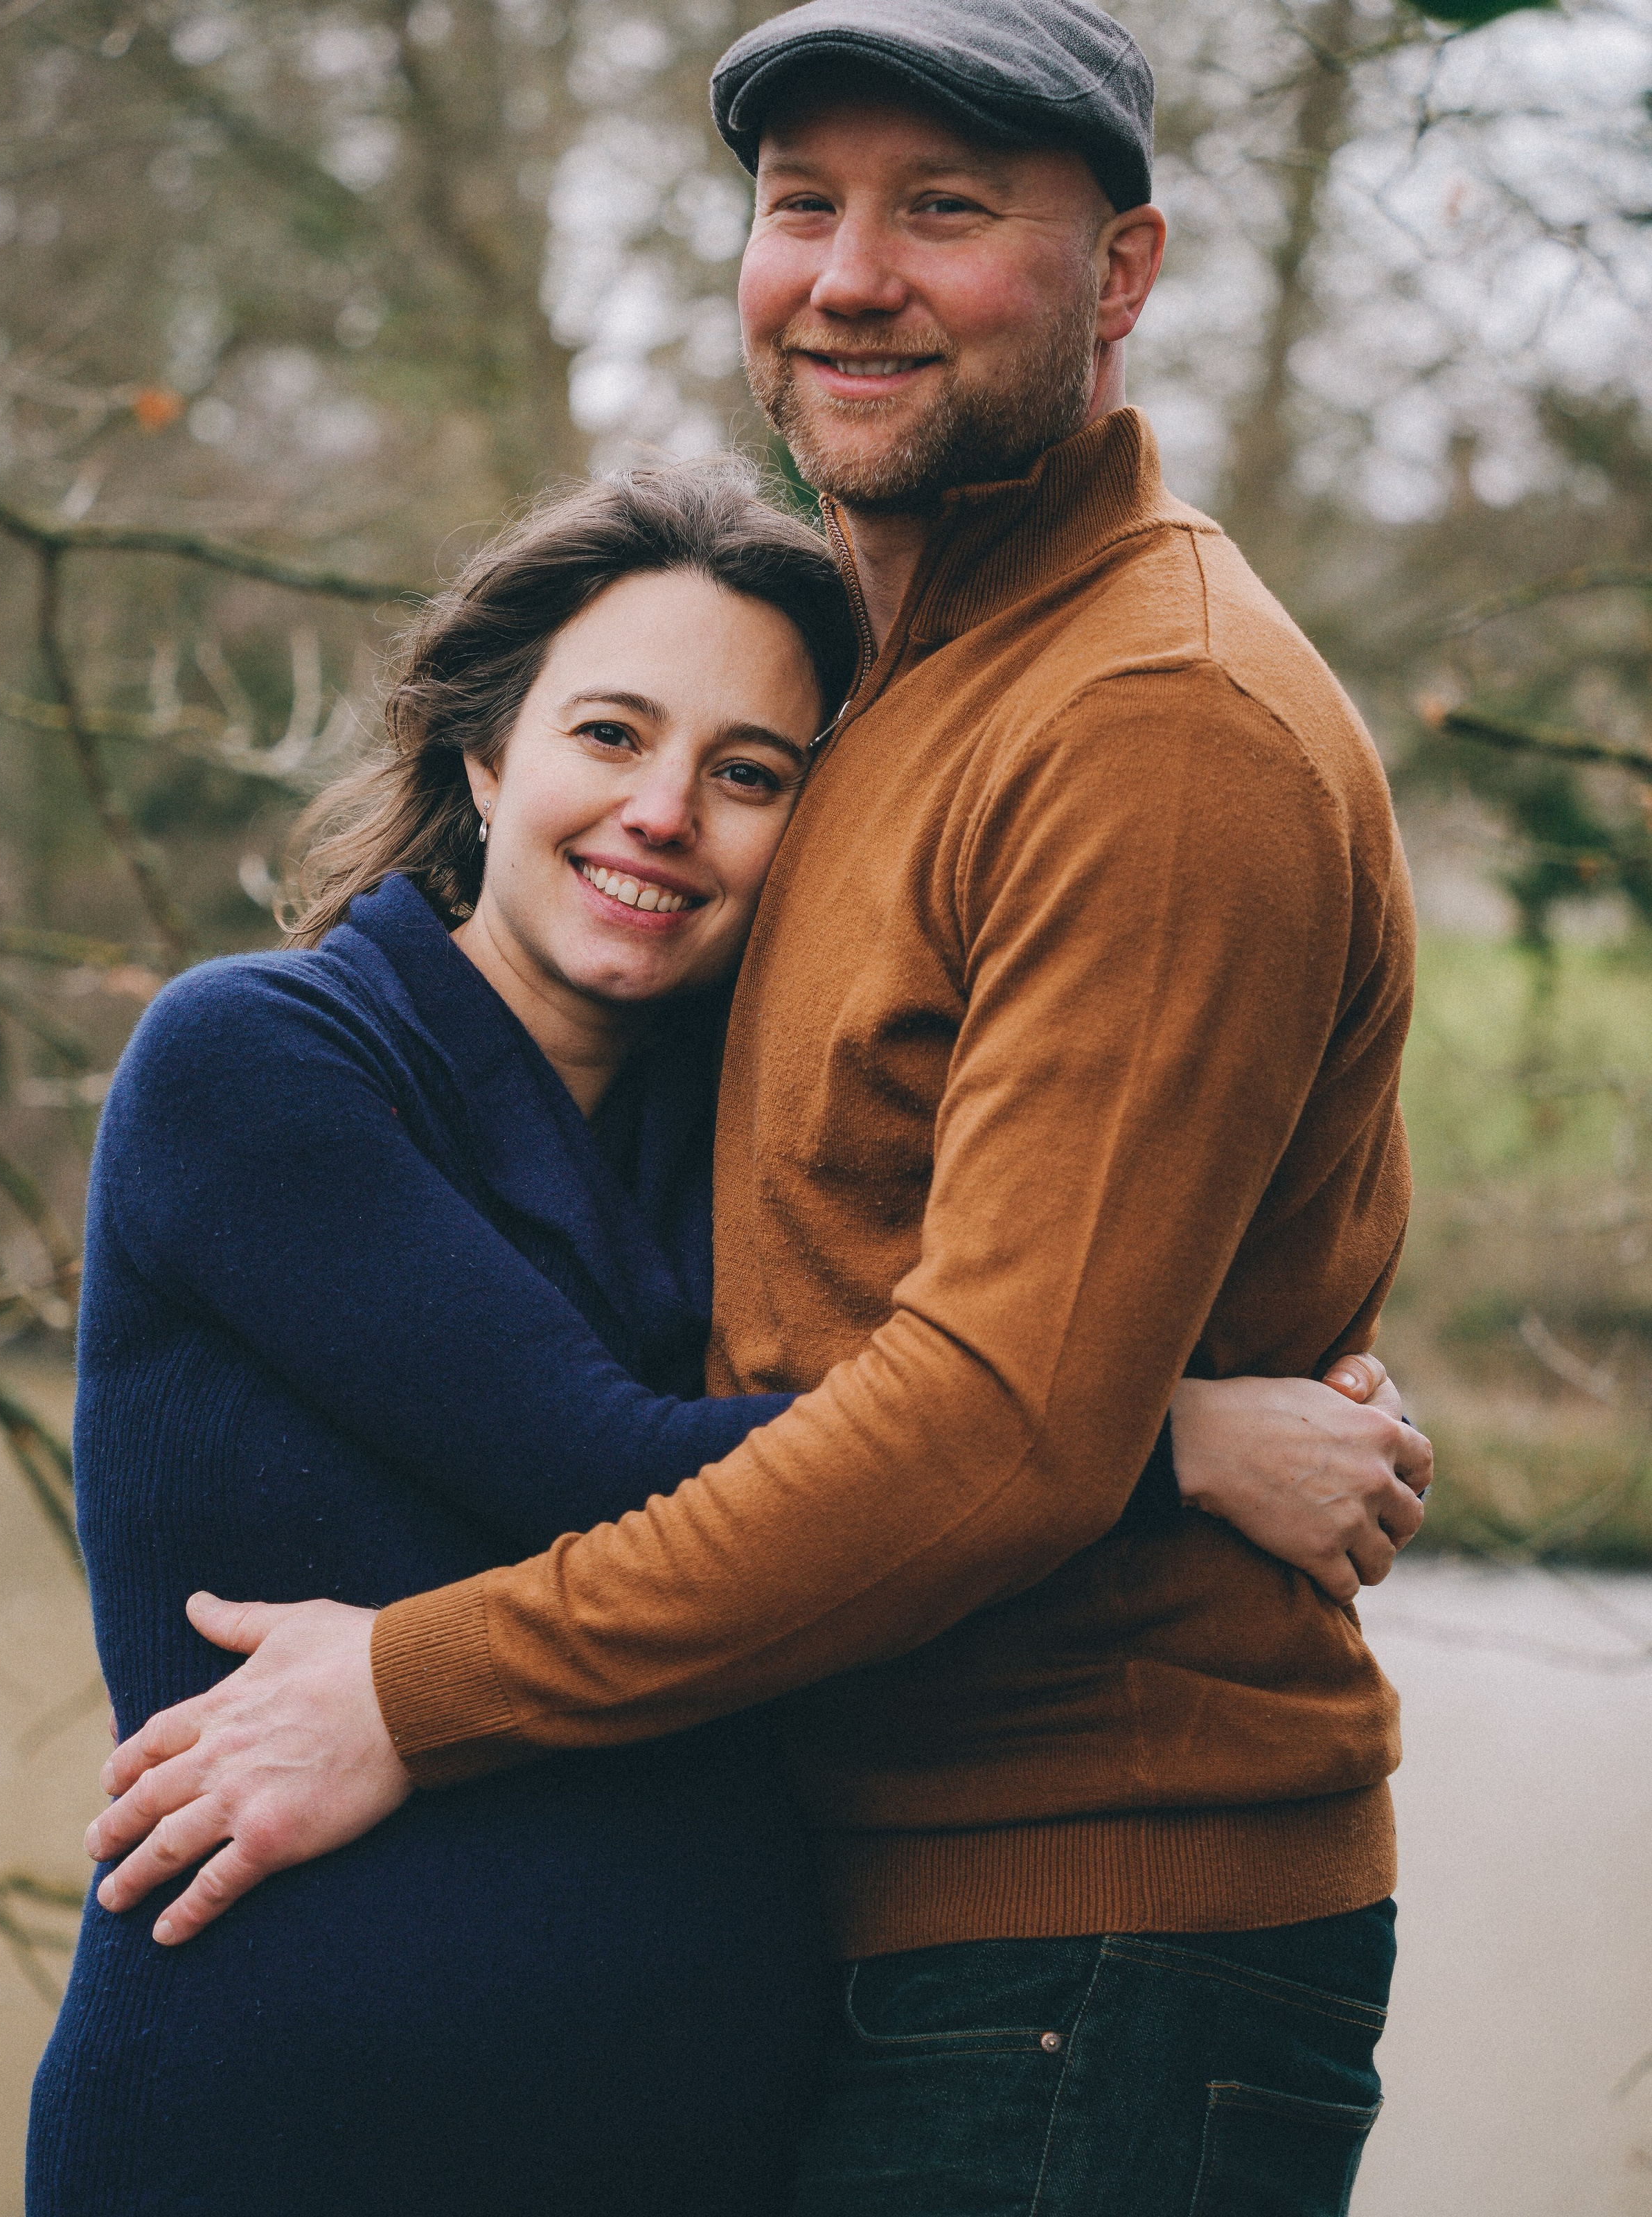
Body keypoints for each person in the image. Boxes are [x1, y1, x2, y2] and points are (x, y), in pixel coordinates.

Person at [85, 3, 1435, 2210]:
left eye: (947, 210)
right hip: (905, 1955)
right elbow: (875, 1368)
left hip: (1085, 1936)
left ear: (1123, 274)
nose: (849, 272)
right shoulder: (910, 708)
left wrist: (411, 1688)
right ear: (478, 754)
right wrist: (1182, 1435)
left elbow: (992, 1424)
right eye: (802, 204)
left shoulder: (1150, 719)